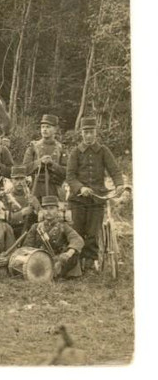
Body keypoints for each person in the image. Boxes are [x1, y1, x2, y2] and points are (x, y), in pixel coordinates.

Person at [65, 117, 127, 273]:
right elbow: (70, 176)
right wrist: (80, 188)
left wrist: (119, 184)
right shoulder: (75, 152)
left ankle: (90, 262)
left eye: (91, 132)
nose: (88, 136)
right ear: (81, 133)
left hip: (97, 199)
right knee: (77, 231)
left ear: (96, 133)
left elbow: (115, 170)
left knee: (93, 232)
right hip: (77, 200)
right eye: (85, 132)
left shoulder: (103, 151)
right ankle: (75, 263)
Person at [22, 196, 85, 279]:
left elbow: (77, 240)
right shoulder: (36, 227)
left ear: (57, 210)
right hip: (41, 260)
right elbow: (27, 246)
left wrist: (68, 253)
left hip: (59, 259)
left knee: (71, 256)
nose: (48, 212)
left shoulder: (63, 226)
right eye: (45, 209)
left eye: (51, 208)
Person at [23, 114, 67, 199]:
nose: (44, 130)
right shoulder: (33, 147)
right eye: (42, 127)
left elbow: (67, 172)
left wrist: (52, 164)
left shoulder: (61, 148)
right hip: (35, 188)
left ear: (55, 129)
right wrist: (39, 162)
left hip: (54, 188)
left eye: (48, 127)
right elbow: (25, 169)